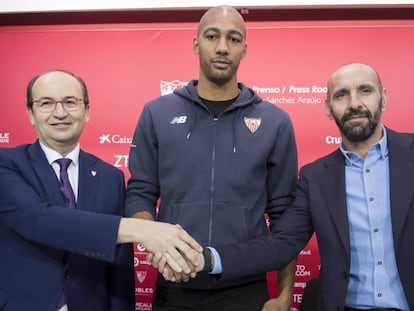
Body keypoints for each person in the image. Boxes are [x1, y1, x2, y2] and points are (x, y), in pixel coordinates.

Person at [194, 63, 413, 310]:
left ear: (383, 98)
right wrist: (206, 258)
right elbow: (280, 244)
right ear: (329, 108)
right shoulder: (315, 177)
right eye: (341, 95)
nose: (354, 103)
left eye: (365, 91)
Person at [125, 5, 298, 311]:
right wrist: (153, 238)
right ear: (196, 43)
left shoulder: (275, 121)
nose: (222, 47)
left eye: (233, 39)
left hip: (246, 286)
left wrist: (285, 294)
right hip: (174, 285)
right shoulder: (156, 113)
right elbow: (141, 192)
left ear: (244, 49)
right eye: (212, 36)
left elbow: (285, 217)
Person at [0, 70, 202, 311]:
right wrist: (143, 229)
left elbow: (119, 267)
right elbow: (37, 219)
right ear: (31, 114)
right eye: (46, 103)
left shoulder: (111, 177)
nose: (60, 112)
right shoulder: (7, 164)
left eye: (70, 102)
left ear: (86, 112)